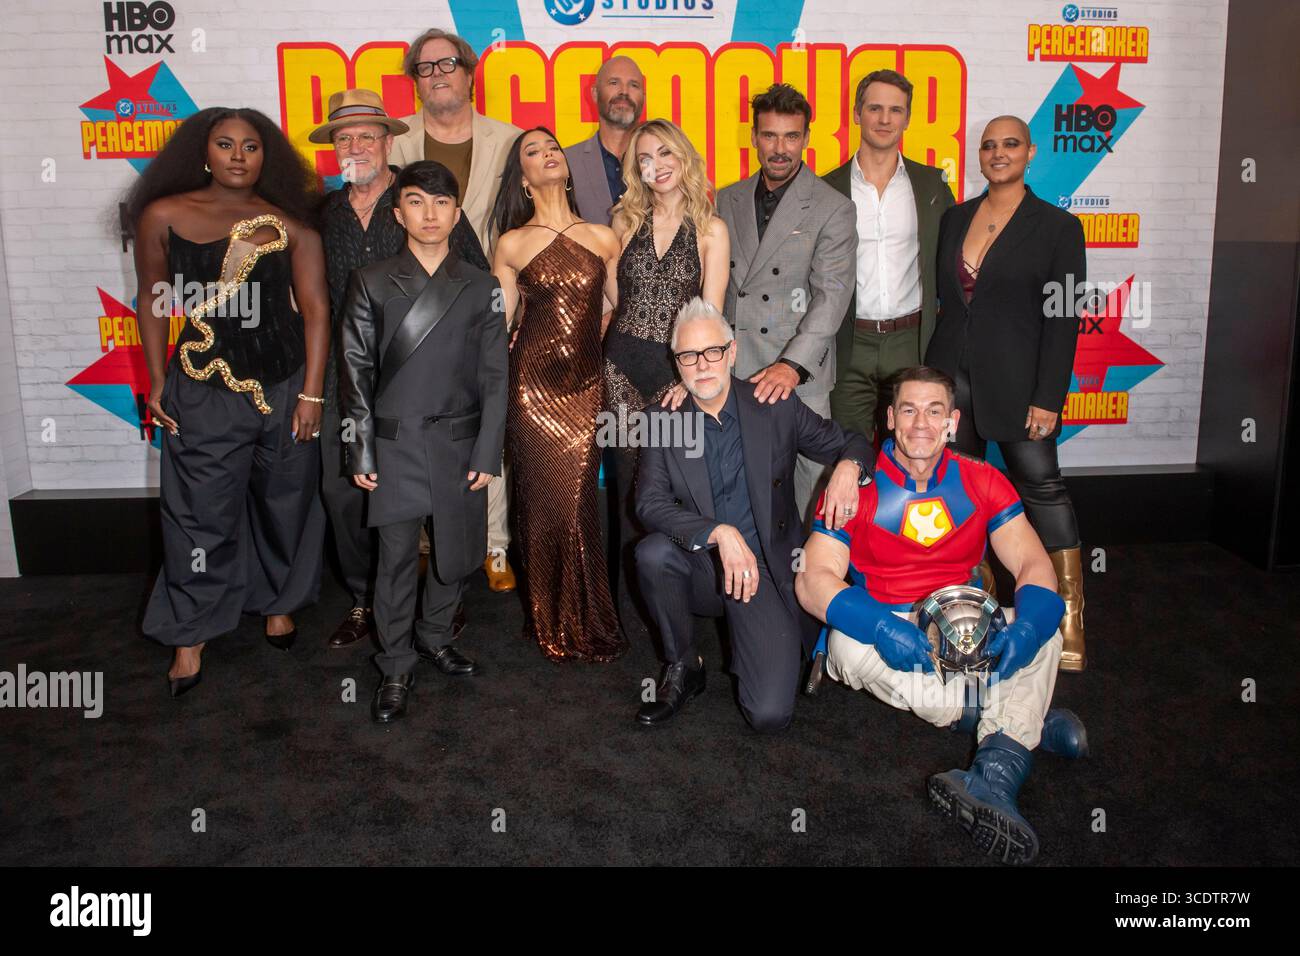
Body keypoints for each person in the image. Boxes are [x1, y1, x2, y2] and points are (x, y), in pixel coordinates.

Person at [795, 366, 1087, 864]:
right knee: (844, 644)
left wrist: (1031, 628)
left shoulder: (983, 478)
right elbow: (813, 579)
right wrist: (880, 625)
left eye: (934, 411)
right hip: (888, 629)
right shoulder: (852, 487)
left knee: (1045, 632)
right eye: (908, 409)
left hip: (965, 628)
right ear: (890, 418)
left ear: (952, 421)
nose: (921, 423)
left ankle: (991, 777)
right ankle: (1018, 725)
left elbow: (1034, 564)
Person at [128, 107, 329, 696]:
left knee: (285, 502)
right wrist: (158, 379)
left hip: (286, 382)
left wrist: (313, 392)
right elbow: (151, 298)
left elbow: (316, 310)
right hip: (201, 383)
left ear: (269, 156)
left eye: (252, 145)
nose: (239, 155)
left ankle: (278, 601)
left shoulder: (292, 224)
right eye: (225, 144)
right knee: (198, 512)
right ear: (203, 152)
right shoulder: (163, 215)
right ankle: (190, 631)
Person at [634, 299, 871, 731]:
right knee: (652, 554)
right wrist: (717, 533)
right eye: (689, 356)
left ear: (732, 352)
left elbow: (850, 442)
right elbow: (649, 504)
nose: (702, 365)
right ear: (676, 362)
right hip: (702, 565)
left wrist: (848, 469)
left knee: (769, 716)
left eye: (713, 352)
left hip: (762, 571)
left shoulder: (774, 405)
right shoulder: (661, 420)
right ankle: (683, 665)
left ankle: (753, 641)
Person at [312, 88, 489, 649]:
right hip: (345, 384)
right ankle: (367, 602)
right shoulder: (323, 215)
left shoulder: (426, 198)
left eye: (368, 135)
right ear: (333, 148)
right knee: (344, 496)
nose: (357, 145)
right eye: (345, 137)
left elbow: (475, 283)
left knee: (438, 500)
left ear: (389, 142)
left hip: (420, 391)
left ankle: (437, 609)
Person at [337, 161, 507, 723]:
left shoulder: (483, 286)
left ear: (457, 214)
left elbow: (495, 376)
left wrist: (487, 450)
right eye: (416, 202)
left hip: (460, 444)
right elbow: (355, 372)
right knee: (394, 561)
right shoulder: (371, 280)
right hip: (394, 446)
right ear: (398, 212)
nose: (429, 214)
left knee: (457, 557)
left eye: (440, 204)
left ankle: (435, 635)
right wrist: (360, 448)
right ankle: (394, 665)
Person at [924, 115, 1089, 671]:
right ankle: (975, 610)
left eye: (1010, 144)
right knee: (962, 492)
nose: (998, 153)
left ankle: (1067, 618)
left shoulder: (1058, 227)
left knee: (1042, 488)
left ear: (1030, 152)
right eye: (989, 145)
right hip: (953, 380)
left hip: (1023, 387)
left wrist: (1049, 396)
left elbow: (1063, 319)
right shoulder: (955, 218)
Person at [390, 27, 521, 593]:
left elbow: (521, 222)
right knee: (421, 423)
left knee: (489, 418)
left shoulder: (511, 139)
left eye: (449, 64)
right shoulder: (395, 146)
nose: (439, 74)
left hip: (490, 299)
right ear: (415, 80)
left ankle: (495, 544)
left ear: (469, 73)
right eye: (426, 67)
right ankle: (427, 538)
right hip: (417, 310)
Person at [491, 127, 625, 662]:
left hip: (586, 387)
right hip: (530, 391)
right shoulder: (511, 243)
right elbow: (497, 323)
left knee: (577, 506)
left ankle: (585, 616)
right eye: (533, 151)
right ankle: (550, 618)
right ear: (522, 179)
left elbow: (620, 307)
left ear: (566, 167)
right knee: (540, 507)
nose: (548, 155)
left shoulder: (603, 236)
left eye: (553, 149)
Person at [603, 118, 730, 638]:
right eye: (644, 159)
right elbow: (613, 299)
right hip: (619, 366)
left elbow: (711, 314)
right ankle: (622, 608)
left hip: (674, 373)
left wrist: (693, 373)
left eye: (664, 154)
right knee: (623, 484)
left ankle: (680, 595)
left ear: (683, 157)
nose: (655, 166)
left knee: (673, 489)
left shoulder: (711, 228)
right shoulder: (623, 222)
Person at [715, 83, 856, 523]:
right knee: (742, 487)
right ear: (753, 136)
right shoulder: (727, 198)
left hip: (800, 374)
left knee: (810, 495)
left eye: (791, 137)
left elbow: (831, 297)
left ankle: (812, 582)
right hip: (738, 370)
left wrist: (791, 366)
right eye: (770, 136)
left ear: (806, 138)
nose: (780, 148)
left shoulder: (833, 207)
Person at [823, 69, 953, 443]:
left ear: (908, 118)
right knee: (850, 453)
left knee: (913, 450)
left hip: (911, 340)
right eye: (875, 108)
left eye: (895, 110)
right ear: (856, 113)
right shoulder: (826, 188)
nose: (884, 119)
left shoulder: (932, 185)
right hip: (849, 343)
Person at [565, 55, 645, 226]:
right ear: (594, 93)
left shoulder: (667, 162)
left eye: (634, 85)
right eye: (614, 83)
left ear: (643, 97)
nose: (624, 91)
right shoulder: (567, 162)